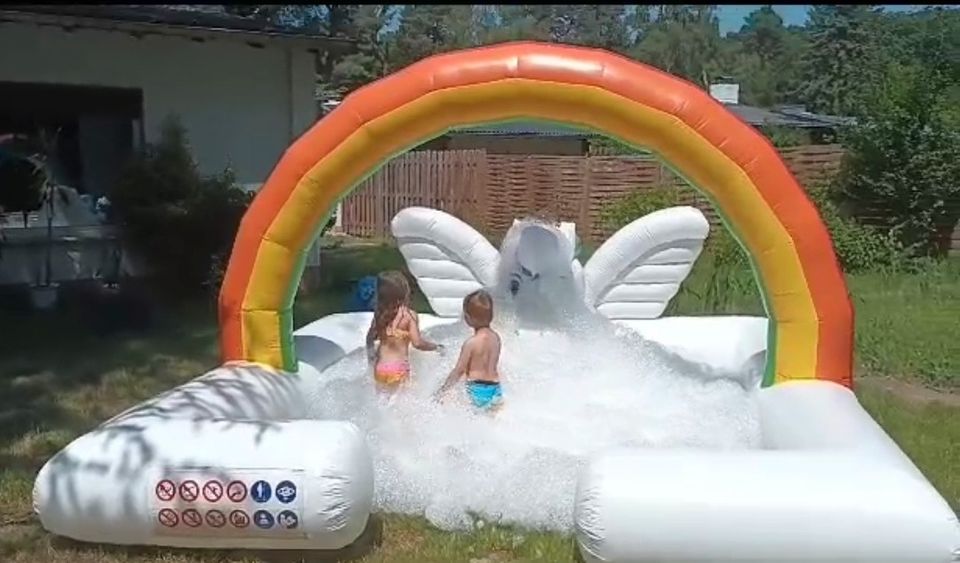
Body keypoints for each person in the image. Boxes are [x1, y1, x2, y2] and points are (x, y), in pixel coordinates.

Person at [366, 270, 440, 389]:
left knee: (382, 402)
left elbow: (370, 338)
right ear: (405, 291)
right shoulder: (408, 316)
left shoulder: (380, 315)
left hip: (380, 369)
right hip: (399, 369)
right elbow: (417, 343)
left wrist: (371, 359)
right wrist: (435, 347)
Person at [434, 290, 503, 412]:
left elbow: (459, 371)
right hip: (495, 388)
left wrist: (443, 390)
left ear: (468, 318)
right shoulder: (496, 338)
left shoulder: (471, 343)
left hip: (476, 389)